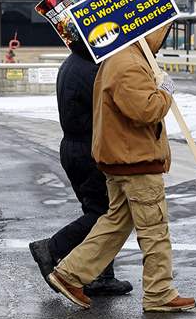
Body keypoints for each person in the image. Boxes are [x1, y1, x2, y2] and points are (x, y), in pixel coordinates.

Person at [47, 27, 196, 313]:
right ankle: (159, 292)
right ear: (150, 34)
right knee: (154, 229)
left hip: (123, 158)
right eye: (161, 37)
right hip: (136, 160)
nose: (161, 44)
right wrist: (165, 91)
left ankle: (69, 274)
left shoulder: (122, 58)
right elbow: (145, 110)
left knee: (115, 222)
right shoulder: (128, 62)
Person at [28, 35, 133, 297]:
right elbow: (110, 108)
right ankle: (51, 248)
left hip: (75, 147)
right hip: (89, 149)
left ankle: (100, 275)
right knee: (105, 214)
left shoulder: (74, 62)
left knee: (100, 210)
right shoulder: (91, 68)